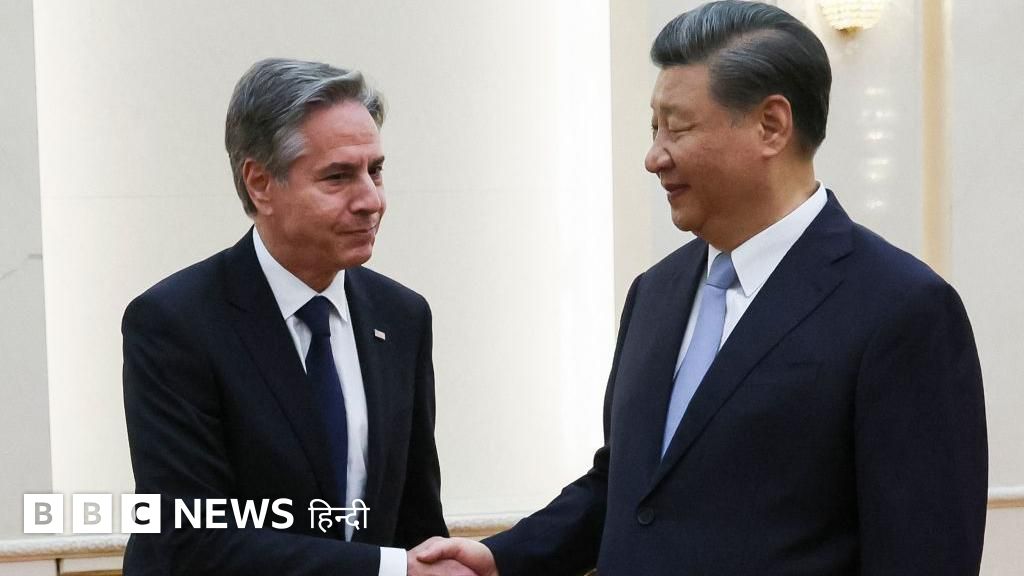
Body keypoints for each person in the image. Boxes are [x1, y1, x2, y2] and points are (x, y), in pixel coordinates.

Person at [414, 2, 988, 575]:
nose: (653, 157)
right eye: (653, 128)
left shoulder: (902, 310)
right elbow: (629, 486)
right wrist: (501, 557)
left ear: (771, 126)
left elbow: (923, 552)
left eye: (678, 128)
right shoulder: (655, 292)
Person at [122, 58, 462, 575]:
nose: (370, 200)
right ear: (261, 183)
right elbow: (191, 539)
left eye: (375, 170)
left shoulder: (402, 316)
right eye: (338, 177)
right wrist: (388, 570)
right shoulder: (174, 324)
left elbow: (416, 518)